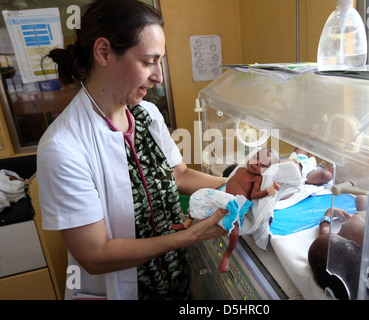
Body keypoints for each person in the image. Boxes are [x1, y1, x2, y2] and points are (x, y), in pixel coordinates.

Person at [37, 0, 228, 300]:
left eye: (160, 61)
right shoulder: (63, 147)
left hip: (175, 281)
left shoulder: (147, 115)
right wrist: (186, 238)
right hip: (126, 291)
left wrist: (236, 185)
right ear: (104, 53)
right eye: (148, 62)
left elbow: (180, 174)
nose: (158, 77)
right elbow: (95, 256)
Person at [172, 148, 281, 273]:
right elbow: (229, 182)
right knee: (199, 197)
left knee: (234, 232)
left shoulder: (256, 179)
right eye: (256, 158)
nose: (257, 163)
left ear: (267, 171)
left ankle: (227, 256)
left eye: (263, 164)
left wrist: (269, 191)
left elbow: (254, 195)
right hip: (222, 197)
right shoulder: (240, 170)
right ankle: (187, 222)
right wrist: (217, 188)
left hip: (235, 205)